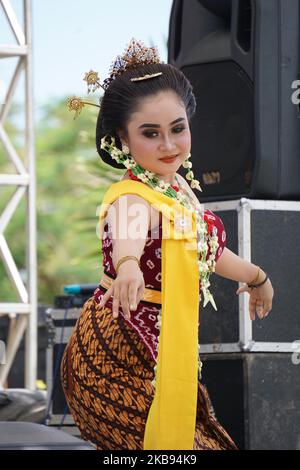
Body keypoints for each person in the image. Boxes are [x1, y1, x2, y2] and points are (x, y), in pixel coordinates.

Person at [61, 38, 274, 450]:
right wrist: (127, 264)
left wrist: (256, 276)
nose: (169, 145)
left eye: (178, 129)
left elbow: (206, 251)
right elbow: (129, 222)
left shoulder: (176, 190)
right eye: (150, 134)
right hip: (113, 358)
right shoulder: (135, 194)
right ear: (122, 140)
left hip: (159, 352)